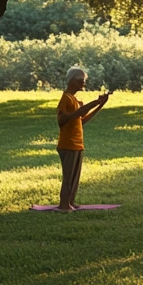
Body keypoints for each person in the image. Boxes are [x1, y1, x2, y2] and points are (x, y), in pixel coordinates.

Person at [55, 67, 110, 211]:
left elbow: (82, 119)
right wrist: (93, 103)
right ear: (72, 81)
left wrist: (100, 105)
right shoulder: (66, 98)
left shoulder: (76, 100)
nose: (83, 83)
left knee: (75, 178)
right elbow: (61, 120)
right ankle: (64, 205)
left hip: (78, 144)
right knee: (68, 178)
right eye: (81, 80)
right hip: (68, 144)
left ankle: (70, 202)